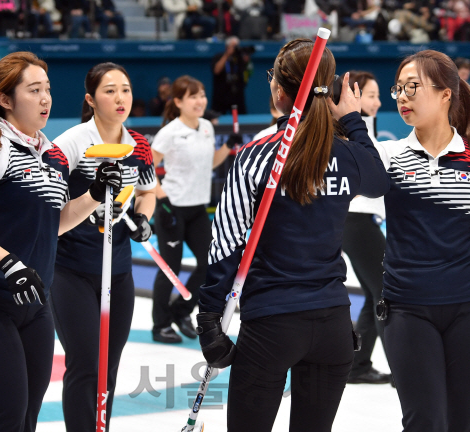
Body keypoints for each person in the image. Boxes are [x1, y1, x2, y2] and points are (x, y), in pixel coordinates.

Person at [197, 39, 390, 431]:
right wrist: (352, 120)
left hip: (272, 325)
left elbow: (228, 243)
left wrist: (209, 318)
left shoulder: (256, 155)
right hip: (334, 325)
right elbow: (377, 179)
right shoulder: (347, 153)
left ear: (279, 91)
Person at [0, 51, 122, 432]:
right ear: (5, 100)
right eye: (34, 90)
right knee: (5, 414)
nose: (45, 99)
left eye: (48, 89)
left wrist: (93, 193)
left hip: (33, 300)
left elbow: (52, 224)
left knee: (26, 416)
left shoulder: (49, 155)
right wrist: (9, 264)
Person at [377, 49, 470, 431]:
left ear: (446, 93)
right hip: (407, 309)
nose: (403, 97)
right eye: (398, 89)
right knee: (425, 420)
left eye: (413, 87)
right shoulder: (388, 156)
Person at [50, 62, 156, 432]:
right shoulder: (70, 144)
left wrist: (144, 217)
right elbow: (51, 209)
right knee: (86, 363)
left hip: (119, 269)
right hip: (70, 270)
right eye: (109, 90)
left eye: (125, 89)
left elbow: (147, 192)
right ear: (90, 99)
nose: (120, 97)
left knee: (109, 364)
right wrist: (92, 198)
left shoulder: (140, 146)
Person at [151, 75, 241, 343]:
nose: (200, 101)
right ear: (178, 101)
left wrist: (227, 146)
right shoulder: (169, 132)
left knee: (209, 265)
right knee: (170, 268)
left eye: (202, 95)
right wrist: (161, 196)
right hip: (172, 208)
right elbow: (145, 166)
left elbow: (209, 164)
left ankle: (181, 311)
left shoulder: (206, 127)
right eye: (193, 96)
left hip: (198, 209)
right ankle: (160, 325)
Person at [342, 70, 391, 385]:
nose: (378, 101)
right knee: (388, 294)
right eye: (371, 95)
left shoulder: (364, 129)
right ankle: (403, 368)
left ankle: (358, 364)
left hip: (360, 222)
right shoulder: (348, 132)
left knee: (377, 294)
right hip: (356, 221)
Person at [211, 36, 251, 114]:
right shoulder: (219, 56)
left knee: (241, 118)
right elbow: (216, 71)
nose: (236, 48)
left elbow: (248, 73)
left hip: (237, 95)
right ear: (227, 47)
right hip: (221, 94)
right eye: (233, 46)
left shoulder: (239, 59)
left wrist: (246, 60)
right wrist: (227, 55)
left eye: (237, 46)